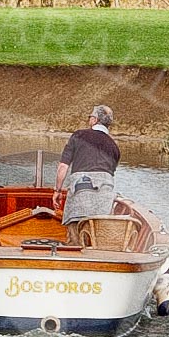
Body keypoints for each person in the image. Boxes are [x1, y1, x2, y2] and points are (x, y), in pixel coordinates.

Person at [53, 105, 121, 246]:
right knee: (97, 241)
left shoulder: (79, 136)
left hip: (80, 194)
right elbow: (109, 175)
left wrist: (58, 191)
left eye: (90, 117)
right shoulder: (114, 147)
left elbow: (63, 167)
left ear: (95, 120)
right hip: (104, 201)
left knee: (75, 241)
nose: (89, 119)